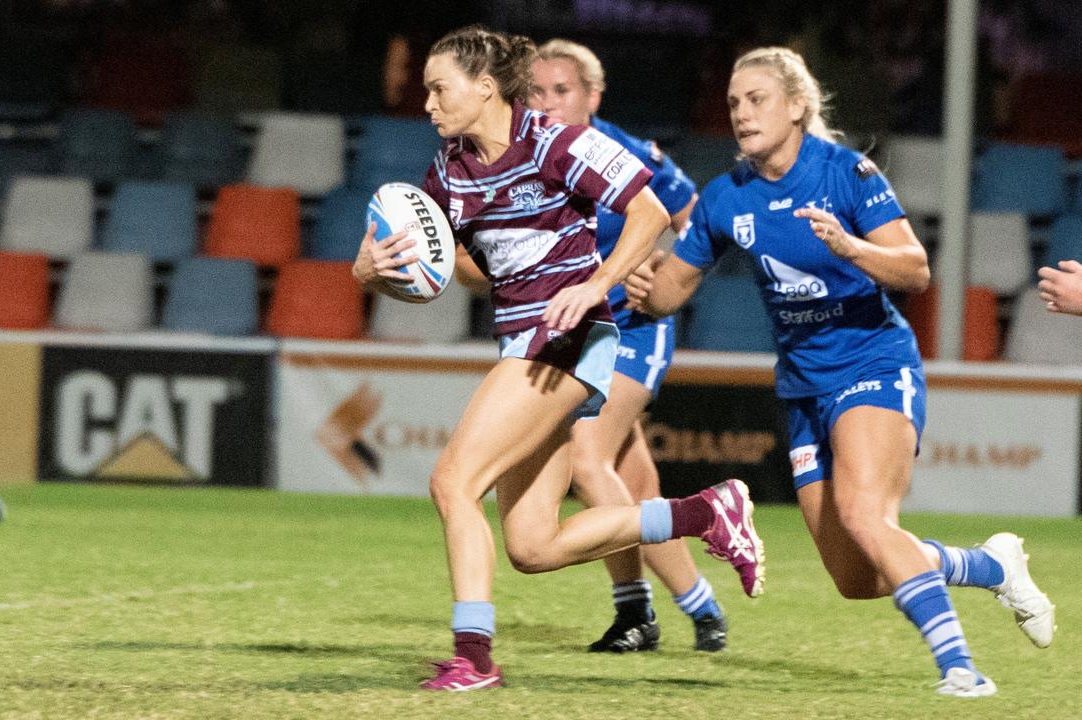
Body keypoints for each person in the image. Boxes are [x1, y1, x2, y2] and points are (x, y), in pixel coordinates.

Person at [625, 46, 1055, 698]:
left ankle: (961, 670)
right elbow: (668, 292)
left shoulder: (844, 174)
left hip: (873, 363)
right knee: (857, 576)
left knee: (863, 513)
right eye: (735, 101)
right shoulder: (724, 198)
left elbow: (914, 268)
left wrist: (851, 247)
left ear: (798, 106)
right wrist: (637, 280)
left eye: (757, 99)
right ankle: (989, 564)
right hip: (803, 389)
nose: (741, 112)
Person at [352, 25, 764, 692]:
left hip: (570, 339)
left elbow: (651, 211)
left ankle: (474, 658)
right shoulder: (448, 173)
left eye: (438, 89)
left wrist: (594, 285)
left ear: (485, 87)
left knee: (453, 482)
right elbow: (447, 272)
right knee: (532, 545)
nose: (426, 104)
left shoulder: (555, 141)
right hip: (527, 341)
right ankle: (705, 513)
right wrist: (372, 269)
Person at [528, 38, 730, 654]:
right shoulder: (526, 155)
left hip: (634, 327)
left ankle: (655, 608)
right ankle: (685, 612)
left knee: (586, 459)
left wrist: (669, 266)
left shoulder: (625, 153)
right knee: (629, 486)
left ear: (594, 95)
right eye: (535, 91)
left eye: (561, 90)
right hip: (576, 335)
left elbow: (696, 215)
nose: (547, 102)